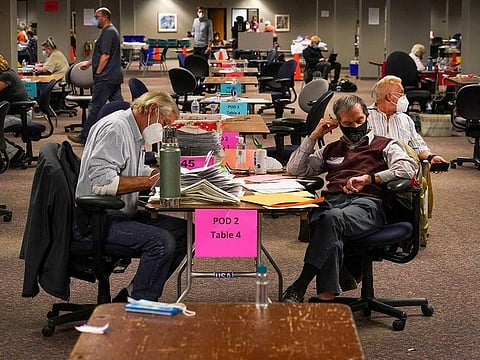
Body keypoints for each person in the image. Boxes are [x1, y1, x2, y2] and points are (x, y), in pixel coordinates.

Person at [281, 95, 418, 303]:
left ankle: (299, 285)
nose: (354, 127)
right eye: (347, 123)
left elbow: (409, 168)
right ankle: (326, 298)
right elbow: (295, 169)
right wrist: (314, 136)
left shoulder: (385, 145)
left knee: (330, 219)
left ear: (367, 116)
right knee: (331, 234)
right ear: (338, 123)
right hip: (332, 203)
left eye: (359, 121)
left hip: (367, 205)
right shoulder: (330, 149)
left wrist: (371, 178)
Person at [74, 91, 187, 302]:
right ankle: (139, 306)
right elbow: (102, 183)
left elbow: (128, 168)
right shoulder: (116, 129)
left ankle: (131, 296)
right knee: (161, 242)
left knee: (185, 232)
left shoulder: (134, 130)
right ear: (152, 109)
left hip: (120, 211)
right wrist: (149, 182)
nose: (163, 130)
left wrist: (156, 174)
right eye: (164, 122)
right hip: (95, 219)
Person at [368, 75, 449, 246]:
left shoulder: (405, 119)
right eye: (401, 93)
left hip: (403, 169)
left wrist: (431, 157)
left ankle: (406, 232)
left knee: (409, 182)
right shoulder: (366, 117)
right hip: (375, 168)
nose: (405, 97)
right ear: (389, 96)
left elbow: (417, 144)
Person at [68, 7, 123, 145]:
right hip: (113, 76)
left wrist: (98, 72)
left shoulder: (108, 32)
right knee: (120, 106)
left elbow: (105, 56)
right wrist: (89, 63)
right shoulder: (110, 31)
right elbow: (101, 54)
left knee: (95, 107)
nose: (94, 19)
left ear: (104, 17)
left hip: (105, 77)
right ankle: (129, 130)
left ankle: (85, 136)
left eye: (96, 17)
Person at [0, 54, 30, 166]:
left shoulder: (6, 77)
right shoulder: (8, 73)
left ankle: (16, 154)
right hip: (14, 113)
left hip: (21, 115)